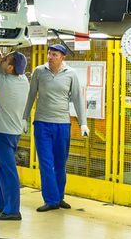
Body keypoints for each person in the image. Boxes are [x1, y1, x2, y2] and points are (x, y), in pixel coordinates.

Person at [25, 43, 89, 212]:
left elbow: (78, 98)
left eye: (54, 55)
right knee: (46, 163)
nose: (50, 57)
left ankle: (59, 197)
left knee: (60, 163)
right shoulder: (39, 71)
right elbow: (31, 95)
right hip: (42, 123)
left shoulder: (71, 74)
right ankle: (51, 200)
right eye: (49, 54)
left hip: (62, 124)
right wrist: (25, 117)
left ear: (62, 57)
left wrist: (83, 123)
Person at [0, 51, 30, 221]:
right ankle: (2, 204)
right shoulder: (23, 80)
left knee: (8, 171)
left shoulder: (2, 81)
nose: (1, 60)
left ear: (11, 68)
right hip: (12, 132)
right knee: (1, 169)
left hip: (2, 132)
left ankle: (12, 210)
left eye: (5, 60)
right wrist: (0, 61)